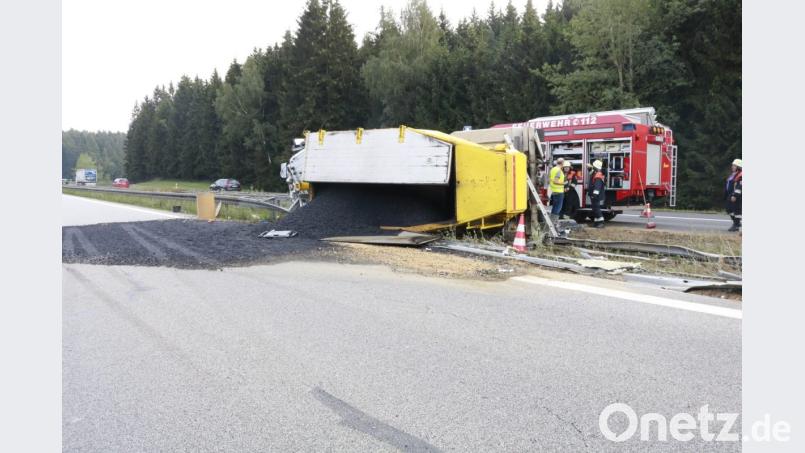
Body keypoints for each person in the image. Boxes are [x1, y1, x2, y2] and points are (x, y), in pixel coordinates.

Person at [725, 158, 743, 232]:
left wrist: (735, 195)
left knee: (737, 211)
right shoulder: (734, 174)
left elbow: (740, 186)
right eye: (732, 165)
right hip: (731, 194)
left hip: (737, 195)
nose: (732, 167)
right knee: (728, 209)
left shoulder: (741, 175)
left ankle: (736, 225)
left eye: (734, 165)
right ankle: (737, 223)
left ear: (738, 167)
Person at [589, 159, 606, 228]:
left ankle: (601, 222)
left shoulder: (598, 175)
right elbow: (590, 171)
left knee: (596, 208)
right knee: (594, 208)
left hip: (596, 195)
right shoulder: (596, 173)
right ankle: (597, 222)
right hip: (595, 195)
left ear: (595, 167)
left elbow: (597, 186)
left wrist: (594, 195)